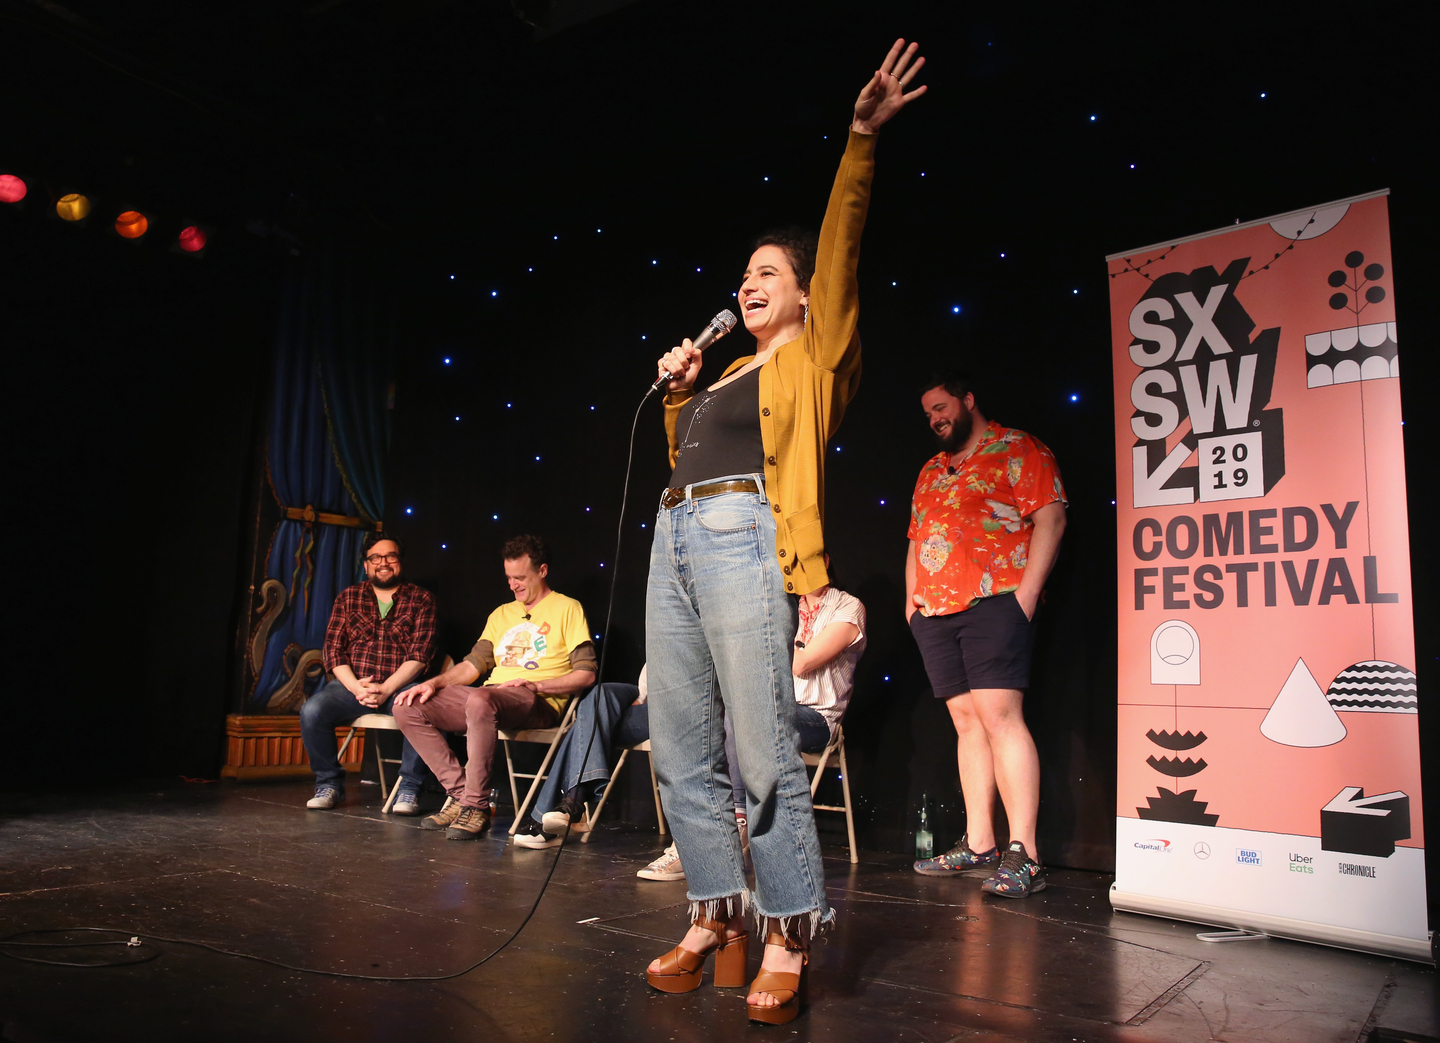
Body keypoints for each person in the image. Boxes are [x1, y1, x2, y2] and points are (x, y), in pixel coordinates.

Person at [642, 40, 925, 1025]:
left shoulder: (819, 351)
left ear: (805, 292)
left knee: (762, 747)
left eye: (770, 272)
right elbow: (685, 454)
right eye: (745, 272)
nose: (750, 281)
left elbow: (842, 243)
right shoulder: (725, 372)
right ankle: (715, 915)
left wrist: (858, 141)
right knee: (681, 744)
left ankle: (789, 926)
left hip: (743, 537)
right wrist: (681, 390)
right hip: (673, 538)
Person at [906, 370, 1067, 898]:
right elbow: (916, 537)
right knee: (966, 722)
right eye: (928, 412)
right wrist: (912, 604)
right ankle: (980, 844)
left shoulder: (1017, 448)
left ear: (968, 400)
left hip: (996, 601)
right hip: (935, 610)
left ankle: (1027, 853)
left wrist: (1025, 596)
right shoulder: (931, 469)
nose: (935, 418)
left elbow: (1051, 518)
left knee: (1000, 716)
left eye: (942, 406)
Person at [392, 535, 596, 840]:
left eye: (520, 578)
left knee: (481, 699)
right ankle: (463, 795)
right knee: (406, 705)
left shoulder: (567, 608)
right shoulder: (502, 614)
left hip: (536, 699)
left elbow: (586, 674)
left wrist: (536, 684)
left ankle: (474, 806)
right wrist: (432, 683)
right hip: (489, 697)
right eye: (509, 578)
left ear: (542, 571)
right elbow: (474, 664)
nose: (513, 585)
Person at [300, 533, 436, 814]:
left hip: (399, 686)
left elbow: (420, 656)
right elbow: (334, 652)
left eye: (391, 556)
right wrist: (356, 688)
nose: (383, 563)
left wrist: (387, 688)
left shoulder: (421, 599)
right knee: (312, 711)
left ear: (400, 562)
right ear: (366, 565)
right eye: (376, 557)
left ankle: (409, 789)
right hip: (352, 686)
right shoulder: (348, 597)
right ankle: (329, 784)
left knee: (421, 710)